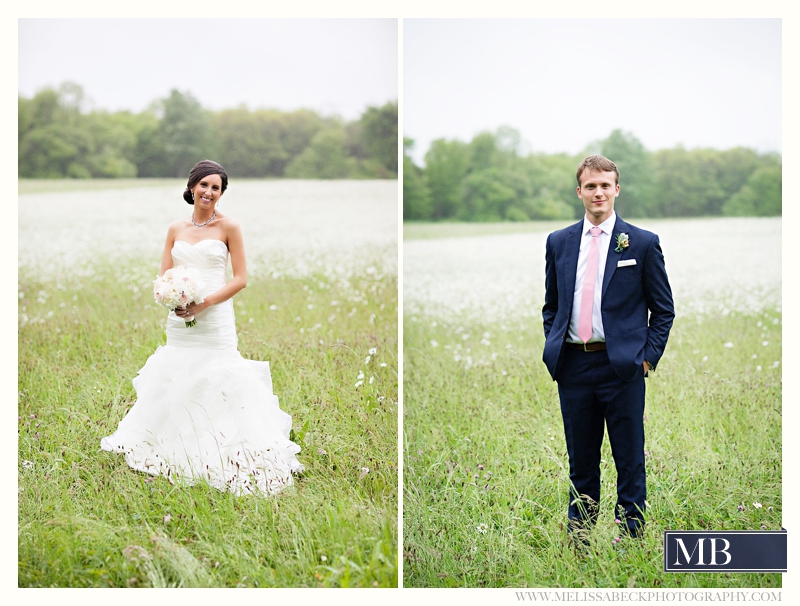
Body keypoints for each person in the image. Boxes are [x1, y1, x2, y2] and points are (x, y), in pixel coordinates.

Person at [101, 159, 304, 495]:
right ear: (192, 186)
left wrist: (205, 302)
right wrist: (172, 298)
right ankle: (174, 449)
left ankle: (227, 453)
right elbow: (164, 275)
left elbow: (241, 279)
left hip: (216, 316)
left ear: (221, 194)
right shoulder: (175, 229)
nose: (209, 192)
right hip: (180, 318)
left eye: (216, 188)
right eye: (205, 185)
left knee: (220, 377)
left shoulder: (229, 227)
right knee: (177, 376)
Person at [541, 155, 674, 540]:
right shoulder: (558, 242)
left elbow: (663, 310)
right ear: (579, 191)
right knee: (581, 461)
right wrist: (557, 346)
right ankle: (580, 536)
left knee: (629, 458)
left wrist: (646, 359)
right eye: (590, 186)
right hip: (574, 368)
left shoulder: (643, 243)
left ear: (616, 189)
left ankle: (630, 535)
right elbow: (552, 305)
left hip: (623, 369)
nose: (598, 192)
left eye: (605, 185)